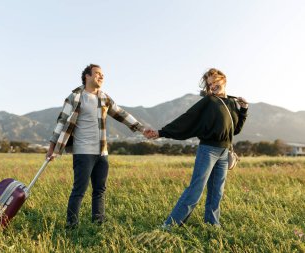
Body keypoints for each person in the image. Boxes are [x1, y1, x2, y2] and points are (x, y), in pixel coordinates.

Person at [46, 64, 149, 228]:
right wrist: (52, 148)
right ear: (87, 76)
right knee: (79, 190)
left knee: (100, 189)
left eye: (103, 75)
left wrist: (141, 129)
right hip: (83, 151)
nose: (101, 77)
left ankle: (98, 222)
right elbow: (61, 122)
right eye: (97, 74)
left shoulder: (104, 97)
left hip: (102, 152)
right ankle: (71, 225)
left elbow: (121, 114)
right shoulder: (75, 97)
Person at [145, 68, 248, 228]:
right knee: (196, 189)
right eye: (210, 84)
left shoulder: (233, 103)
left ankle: (212, 224)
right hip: (208, 150)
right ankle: (170, 225)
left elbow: (235, 130)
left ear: (223, 79)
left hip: (224, 151)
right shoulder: (209, 101)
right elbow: (188, 118)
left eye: (215, 81)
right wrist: (162, 132)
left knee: (217, 191)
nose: (213, 86)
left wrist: (244, 110)